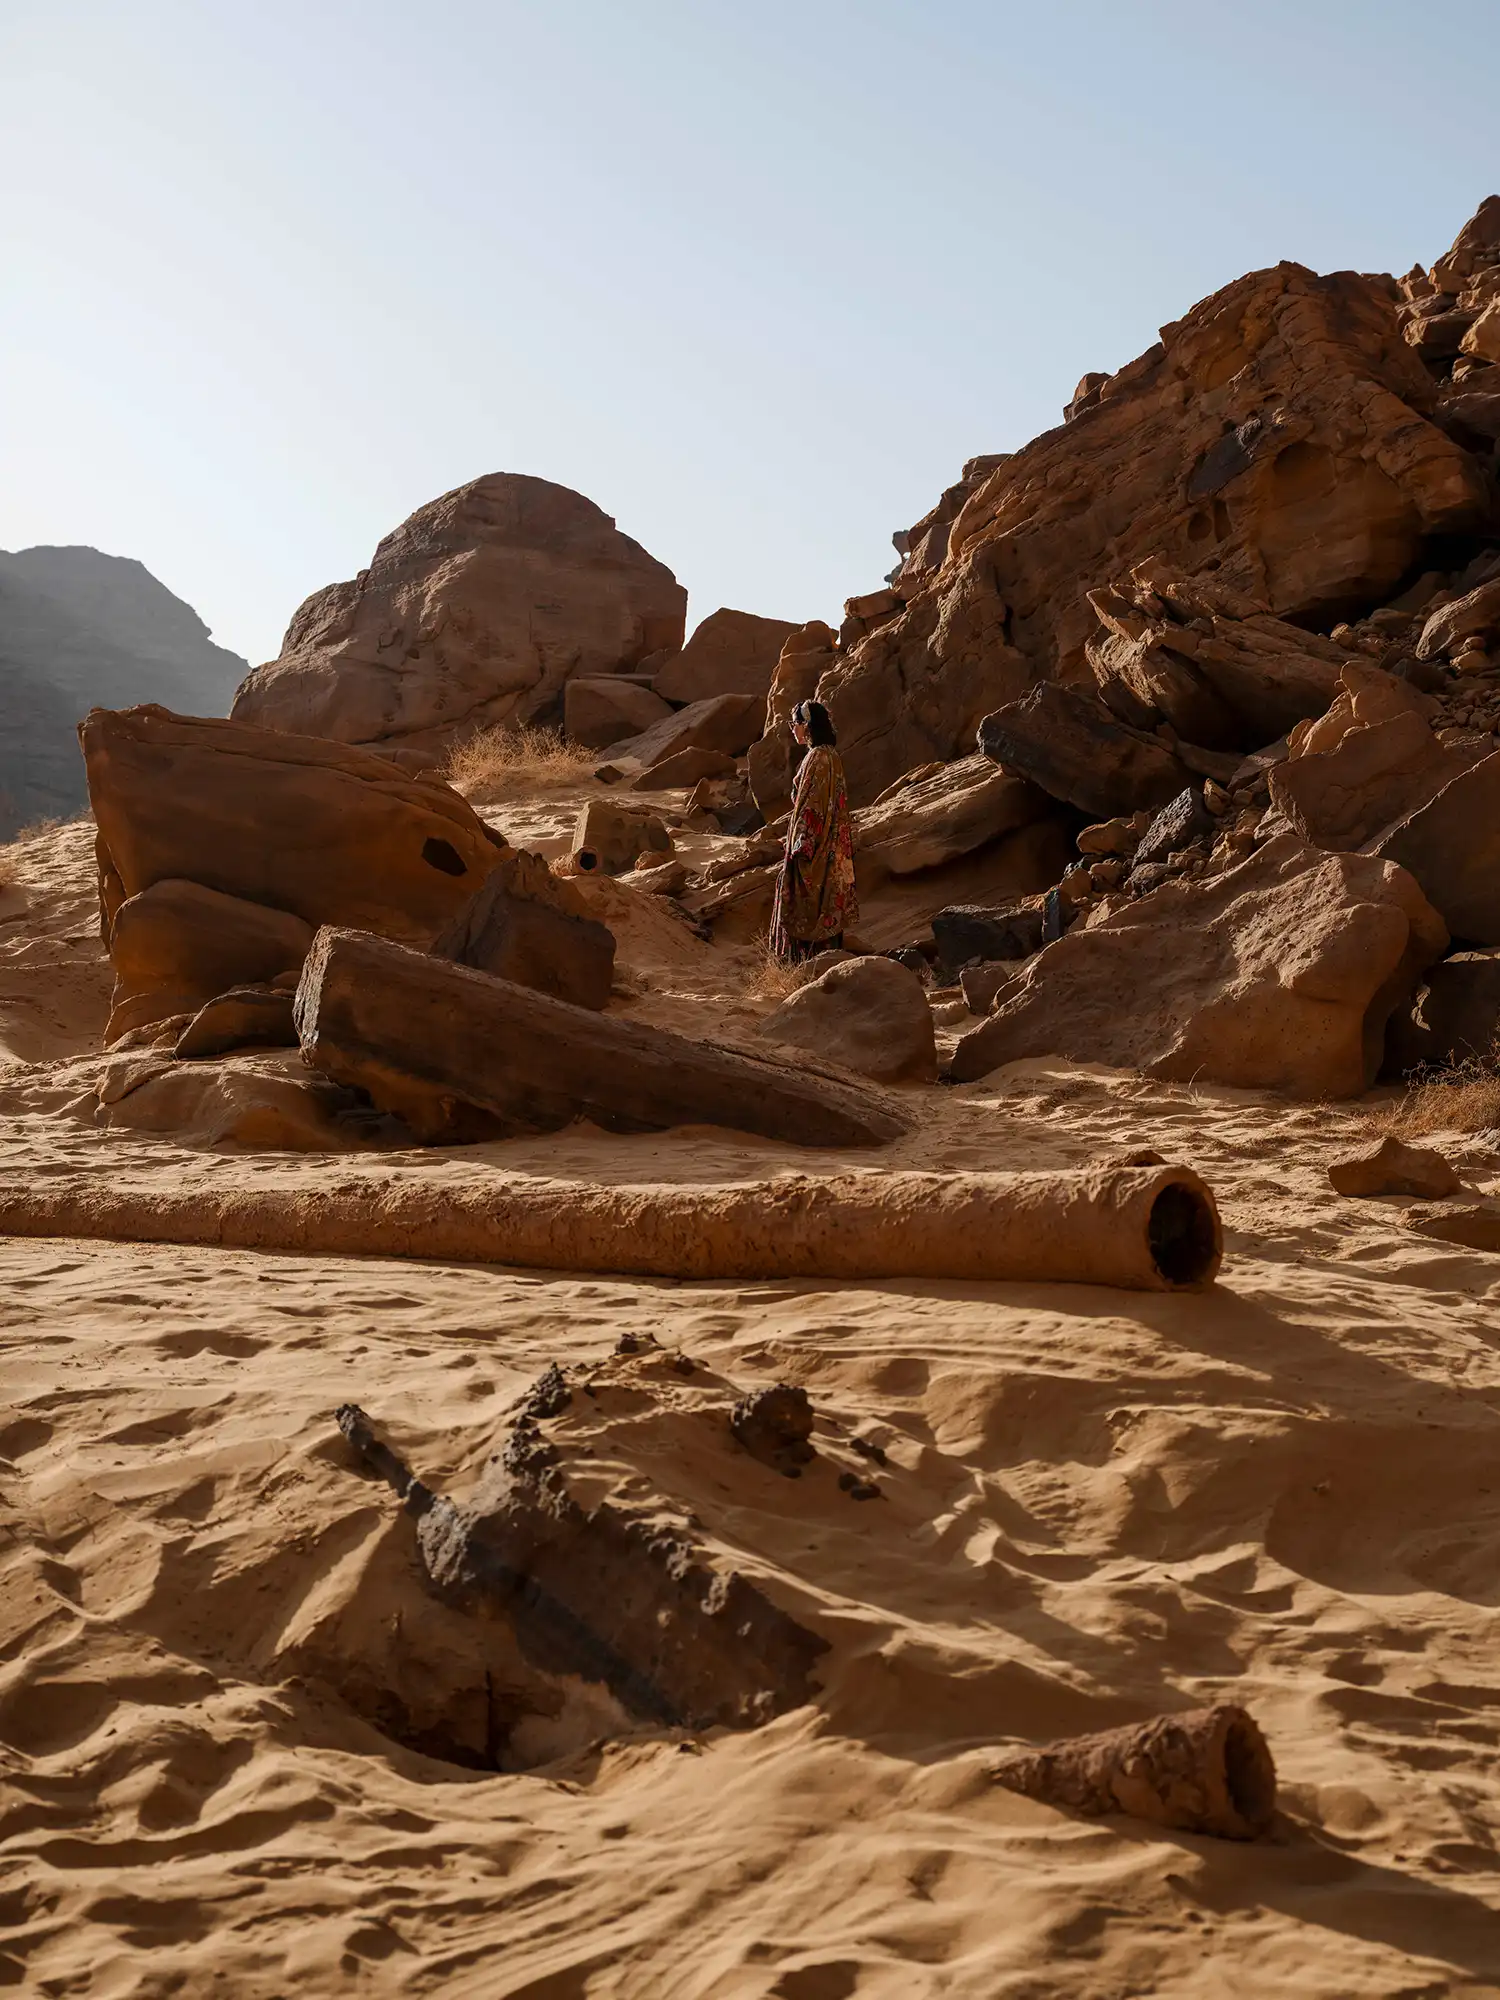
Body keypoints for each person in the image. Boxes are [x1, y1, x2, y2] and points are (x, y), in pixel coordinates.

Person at [769, 699, 858, 963]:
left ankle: (799, 966)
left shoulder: (818, 757)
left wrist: (801, 846)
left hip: (813, 845)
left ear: (806, 726)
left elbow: (813, 807)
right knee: (825, 899)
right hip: (832, 846)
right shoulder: (831, 755)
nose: (792, 730)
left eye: (794, 724)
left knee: (798, 898)